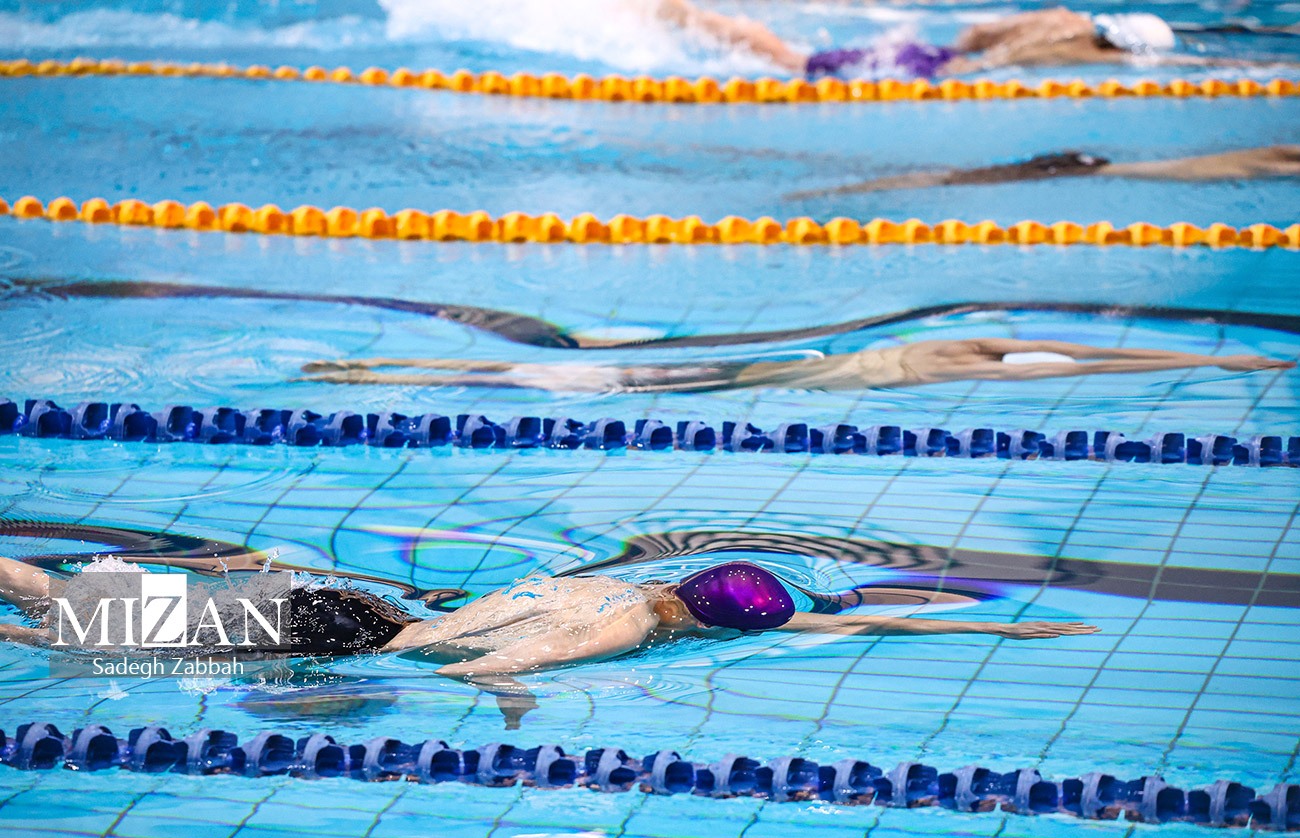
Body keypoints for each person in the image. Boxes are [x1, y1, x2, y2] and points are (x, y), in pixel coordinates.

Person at [0, 557, 1095, 724]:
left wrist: (987, 620)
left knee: (75, 606)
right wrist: (509, 706)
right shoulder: (622, 632)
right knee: (72, 637)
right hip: (348, 641)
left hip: (354, 606)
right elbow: (501, 664)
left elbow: (823, 614)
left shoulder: (626, 586)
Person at [298, 337, 1295, 394]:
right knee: (582, 381)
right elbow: (1082, 364)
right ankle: (382, 373)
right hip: (780, 374)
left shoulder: (968, 348)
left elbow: (1081, 358)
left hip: (794, 362)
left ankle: (380, 371)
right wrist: (1213, 358)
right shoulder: (971, 366)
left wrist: (1212, 356)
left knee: (514, 373)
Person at [654, 3, 1236, 78]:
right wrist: (964, 75)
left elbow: (974, 34)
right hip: (931, 66)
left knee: (790, 55)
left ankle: (676, 13)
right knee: (789, 58)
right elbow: (999, 55)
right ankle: (672, 10)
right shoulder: (1072, 44)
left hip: (930, 53)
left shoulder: (1064, 17)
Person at [787, 145, 1300, 200]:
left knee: (948, 177)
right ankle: (829, 191)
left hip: (1077, 167)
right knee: (947, 179)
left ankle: (830, 190)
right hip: (1074, 171)